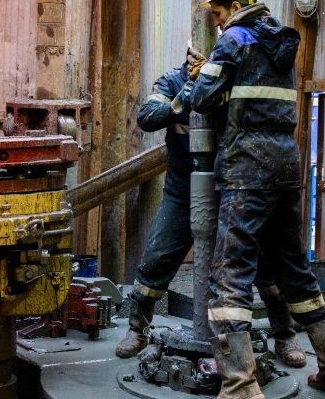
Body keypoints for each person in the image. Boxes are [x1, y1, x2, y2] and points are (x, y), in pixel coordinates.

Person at [181, 0, 325, 399]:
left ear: (237, 5)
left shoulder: (233, 39)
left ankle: (240, 384)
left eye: (218, 12)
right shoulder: (278, 39)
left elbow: (204, 98)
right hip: (286, 166)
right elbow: (252, 92)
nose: (216, 20)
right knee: (295, 270)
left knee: (230, 275)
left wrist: (203, 71)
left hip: (247, 171)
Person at [115, 53, 308, 371]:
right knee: (155, 261)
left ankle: (285, 336)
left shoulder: (232, 84)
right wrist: (187, 95)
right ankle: (138, 331)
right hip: (182, 195)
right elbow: (148, 116)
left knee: (266, 271)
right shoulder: (171, 82)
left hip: (233, 195)